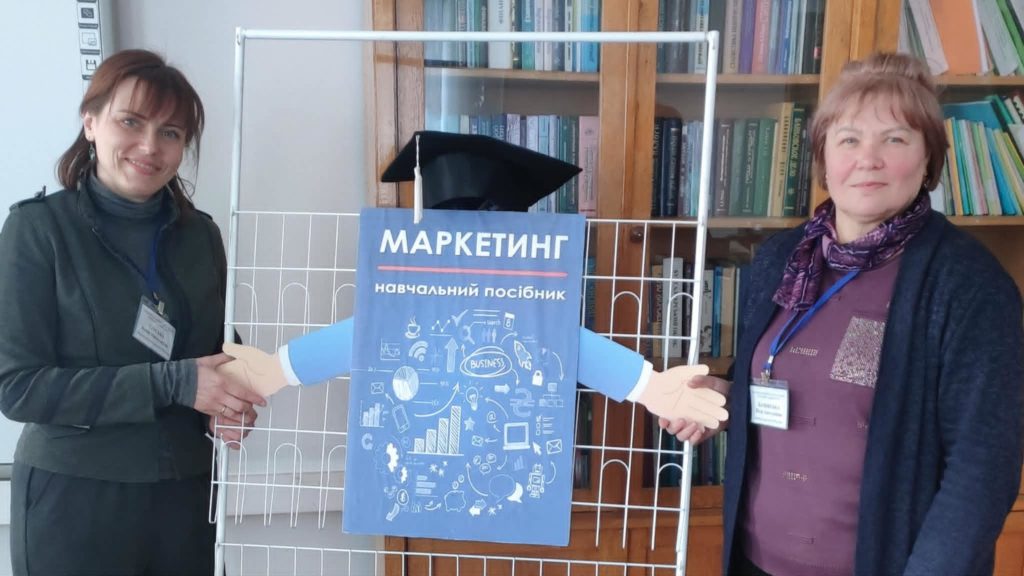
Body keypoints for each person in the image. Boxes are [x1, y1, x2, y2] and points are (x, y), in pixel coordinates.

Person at [662, 52, 1023, 576]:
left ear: (928, 160)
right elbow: (774, 379)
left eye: (894, 139)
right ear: (824, 159)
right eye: (849, 139)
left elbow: (983, 466)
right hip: (755, 562)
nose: (867, 159)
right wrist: (722, 396)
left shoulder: (969, 284)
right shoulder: (782, 259)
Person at [218, 131, 730, 428]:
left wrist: (648, 385)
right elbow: (366, 335)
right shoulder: (408, 306)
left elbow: (567, 345)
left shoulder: (528, 311)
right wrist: (277, 369)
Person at [0, 49, 266, 576]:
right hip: (75, 503)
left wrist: (232, 399)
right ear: (90, 122)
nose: (150, 146)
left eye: (170, 132)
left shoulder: (201, 236)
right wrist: (175, 383)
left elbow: (217, 352)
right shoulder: (37, 230)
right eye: (131, 122)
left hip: (186, 500)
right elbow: (18, 387)